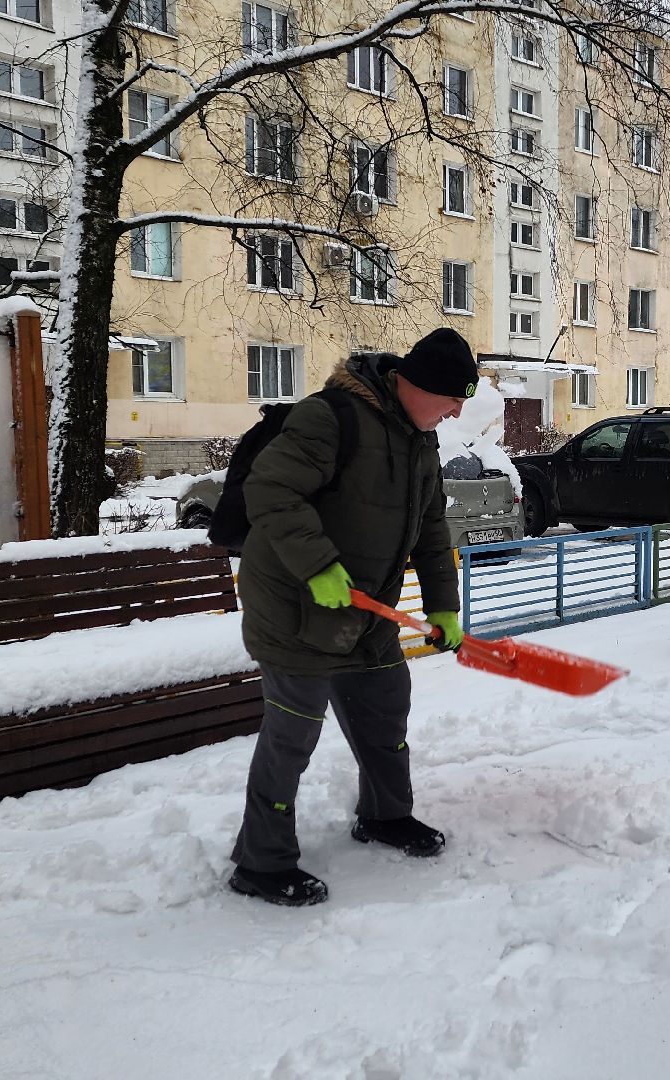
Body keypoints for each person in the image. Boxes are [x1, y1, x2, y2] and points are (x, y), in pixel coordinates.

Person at [226, 327, 477, 907]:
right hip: (294, 606)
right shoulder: (330, 417)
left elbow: (431, 528)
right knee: (292, 735)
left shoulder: (420, 439)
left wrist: (443, 604)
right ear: (417, 385)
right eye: (452, 398)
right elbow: (271, 491)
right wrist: (317, 565)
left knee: (385, 709)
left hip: (365, 611)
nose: (457, 412)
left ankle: (386, 816)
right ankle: (260, 862)